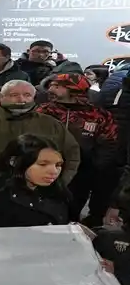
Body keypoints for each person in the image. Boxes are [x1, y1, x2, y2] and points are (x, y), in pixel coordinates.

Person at [0, 79, 81, 187]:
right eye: (14, 95)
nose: (21, 99)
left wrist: (59, 183)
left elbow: (72, 154)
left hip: (38, 192)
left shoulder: (51, 124)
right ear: (2, 97)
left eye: (27, 95)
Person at [36, 73, 119, 225]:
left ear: (74, 89)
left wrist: (94, 166)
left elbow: (109, 143)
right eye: (51, 85)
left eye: (57, 86)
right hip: (45, 169)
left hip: (82, 174)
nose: (50, 89)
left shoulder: (98, 115)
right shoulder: (43, 111)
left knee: (72, 210)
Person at [0, 134, 68, 228]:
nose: (54, 171)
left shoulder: (58, 192)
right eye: (43, 164)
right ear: (14, 161)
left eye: (58, 165)